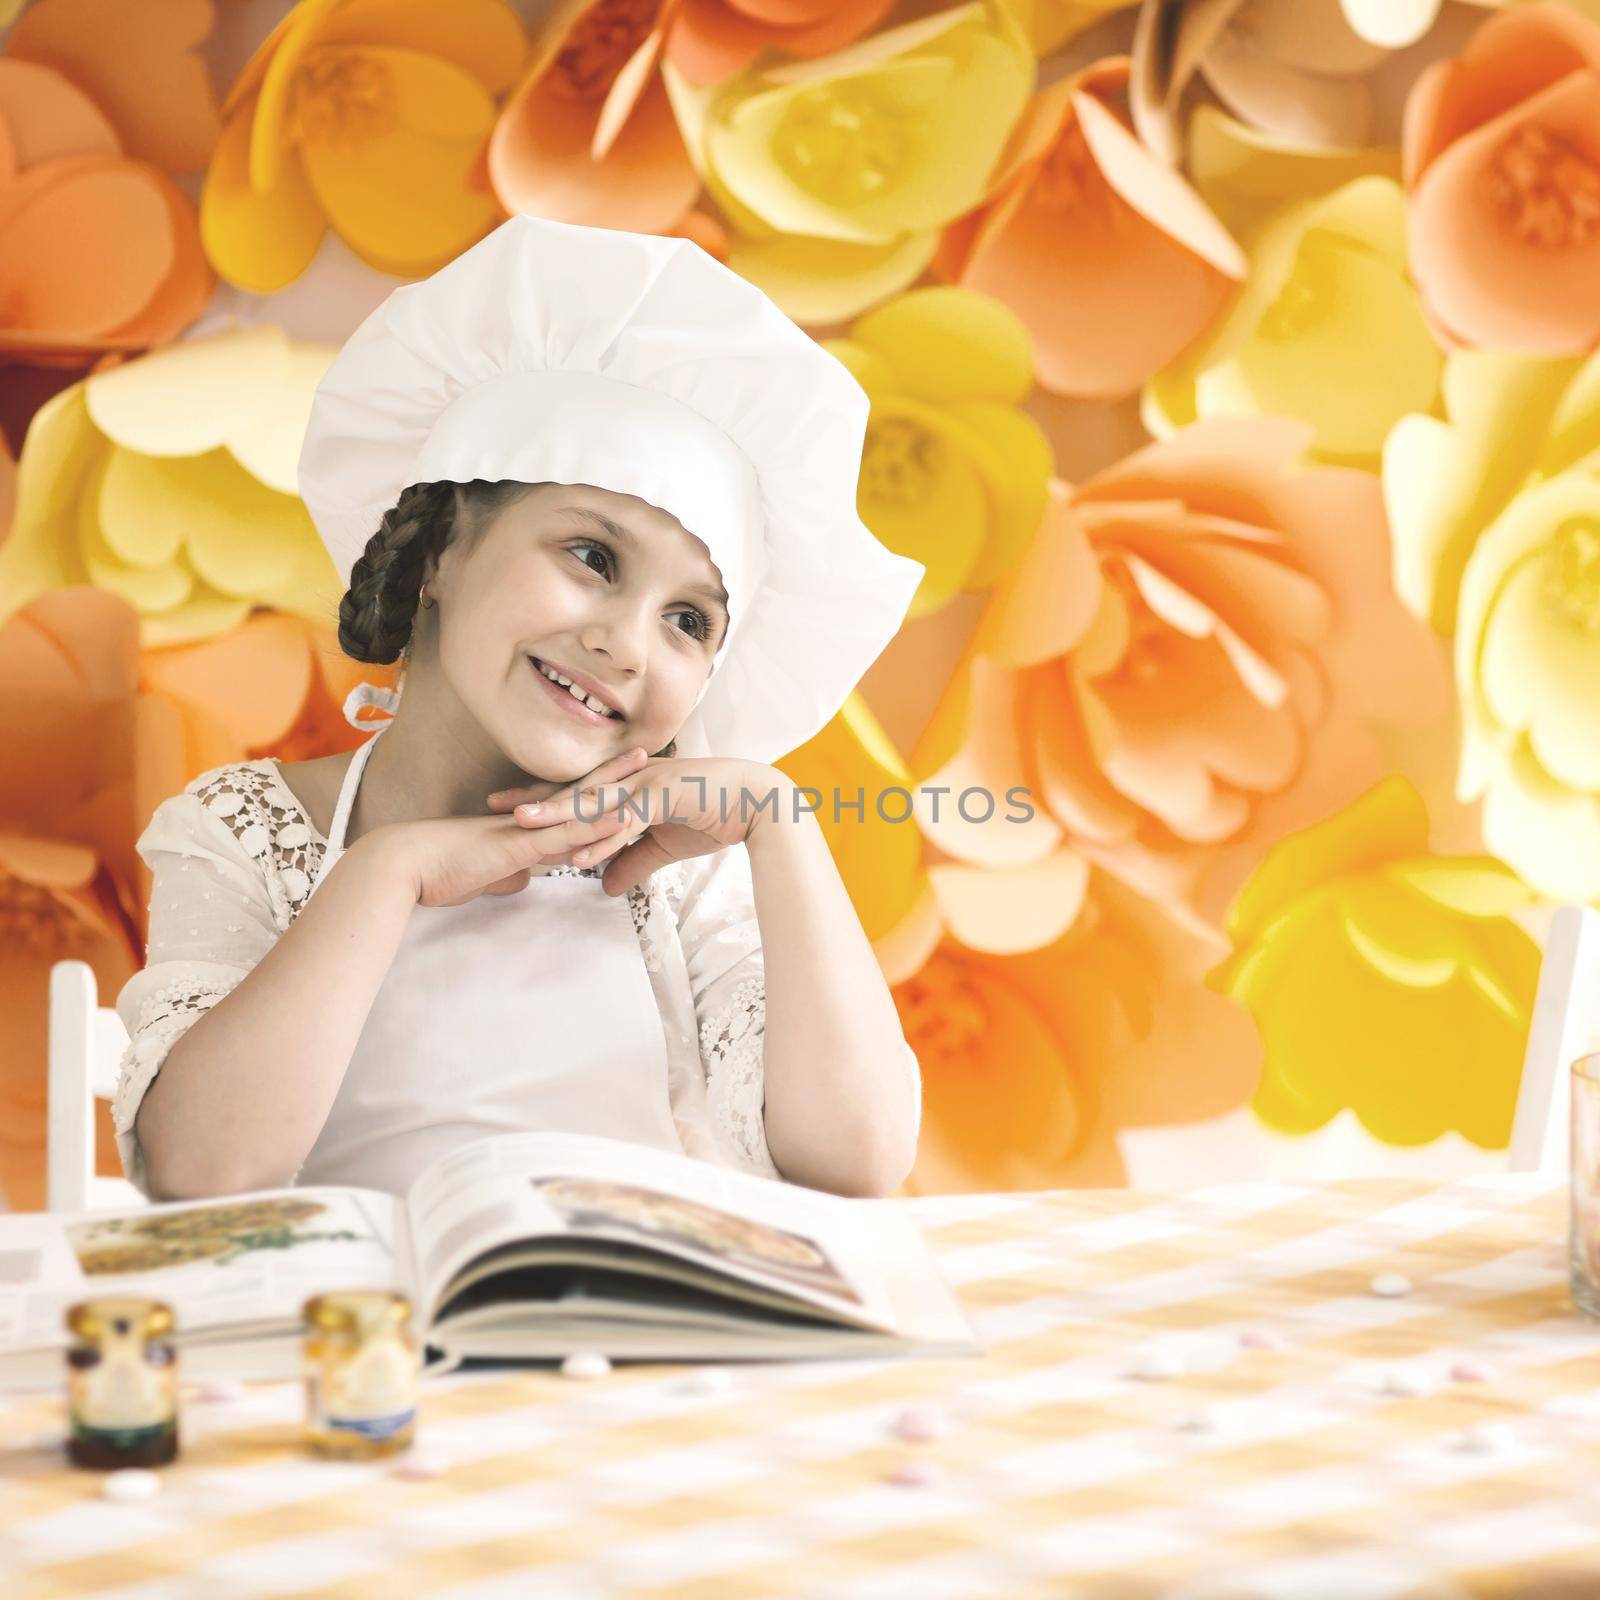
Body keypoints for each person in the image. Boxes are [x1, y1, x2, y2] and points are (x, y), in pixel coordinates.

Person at [111, 215, 928, 1205]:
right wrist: (391, 868)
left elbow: (859, 1157)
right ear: (442, 551)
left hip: (637, 1338)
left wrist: (779, 823)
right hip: (360, 1345)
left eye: (687, 620)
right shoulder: (244, 832)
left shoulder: (680, 881)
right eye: (592, 557)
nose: (626, 644)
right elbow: (202, 1171)